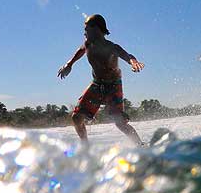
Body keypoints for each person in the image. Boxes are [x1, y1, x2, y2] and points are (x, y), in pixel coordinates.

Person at [57, 14, 145, 145]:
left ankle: (140, 145)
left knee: (120, 123)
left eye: (86, 29)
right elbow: (80, 51)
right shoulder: (88, 45)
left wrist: (133, 62)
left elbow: (127, 55)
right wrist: (69, 64)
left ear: (96, 29)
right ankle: (86, 146)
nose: (84, 32)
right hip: (97, 85)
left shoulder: (111, 47)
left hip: (114, 86)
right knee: (76, 117)